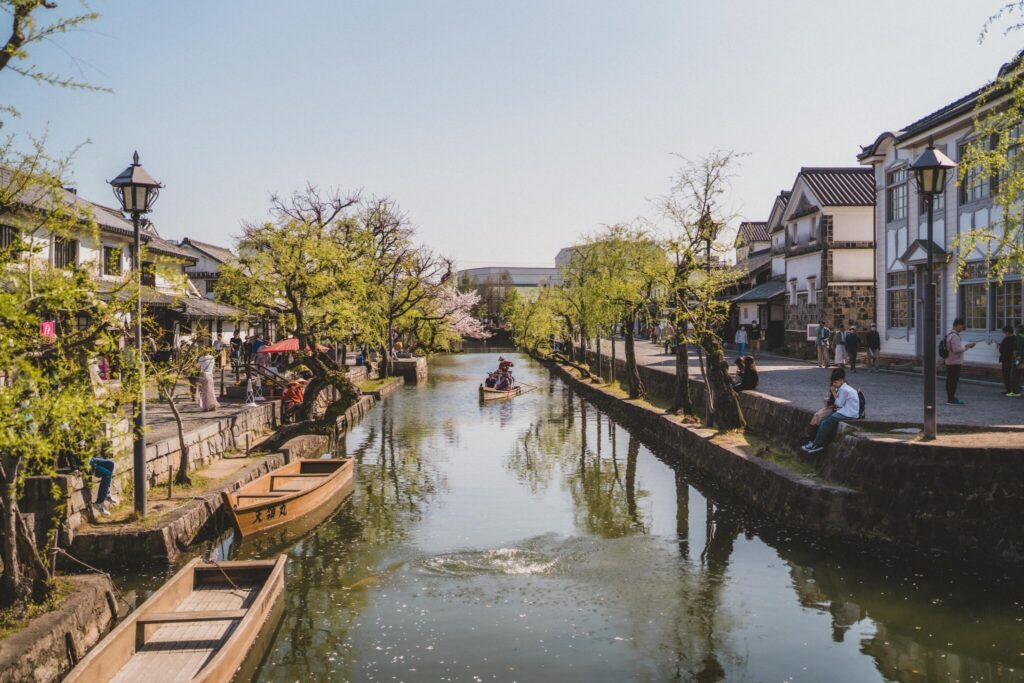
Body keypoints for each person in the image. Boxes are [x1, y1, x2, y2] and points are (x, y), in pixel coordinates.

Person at [802, 369, 860, 454]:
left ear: (841, 380)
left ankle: (817, 443)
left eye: (835, 383)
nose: (834, 385)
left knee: (826, 422)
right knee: (823, 421)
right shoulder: (845, 387)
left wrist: (834, 393)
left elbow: (839, 404)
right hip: (846, 411)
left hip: (848, 412)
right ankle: (816, 442)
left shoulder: (844, 390)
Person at [943, 318, 975, 405]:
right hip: (954, 361)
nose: (962, 328)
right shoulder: (955, 336)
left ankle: (950, 397)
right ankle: (951, 399)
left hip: (949, 360)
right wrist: (967, 347)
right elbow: (956, 350)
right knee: (953, 380)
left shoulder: (949, 334)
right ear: (958, 325)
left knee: (950, 380)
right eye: (962, 326)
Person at [999, 326, 1020, 397]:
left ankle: (1009, 390)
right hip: (1014, 360)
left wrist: (998, 347)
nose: (1004, 334)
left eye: (1004, 332)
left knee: (1006, 375)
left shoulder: (1007, 339)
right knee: (1013, 376)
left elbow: (1002, 349)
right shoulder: (1016, 339)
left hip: (1006, 360)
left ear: (1008, 332)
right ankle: (1014, 390)